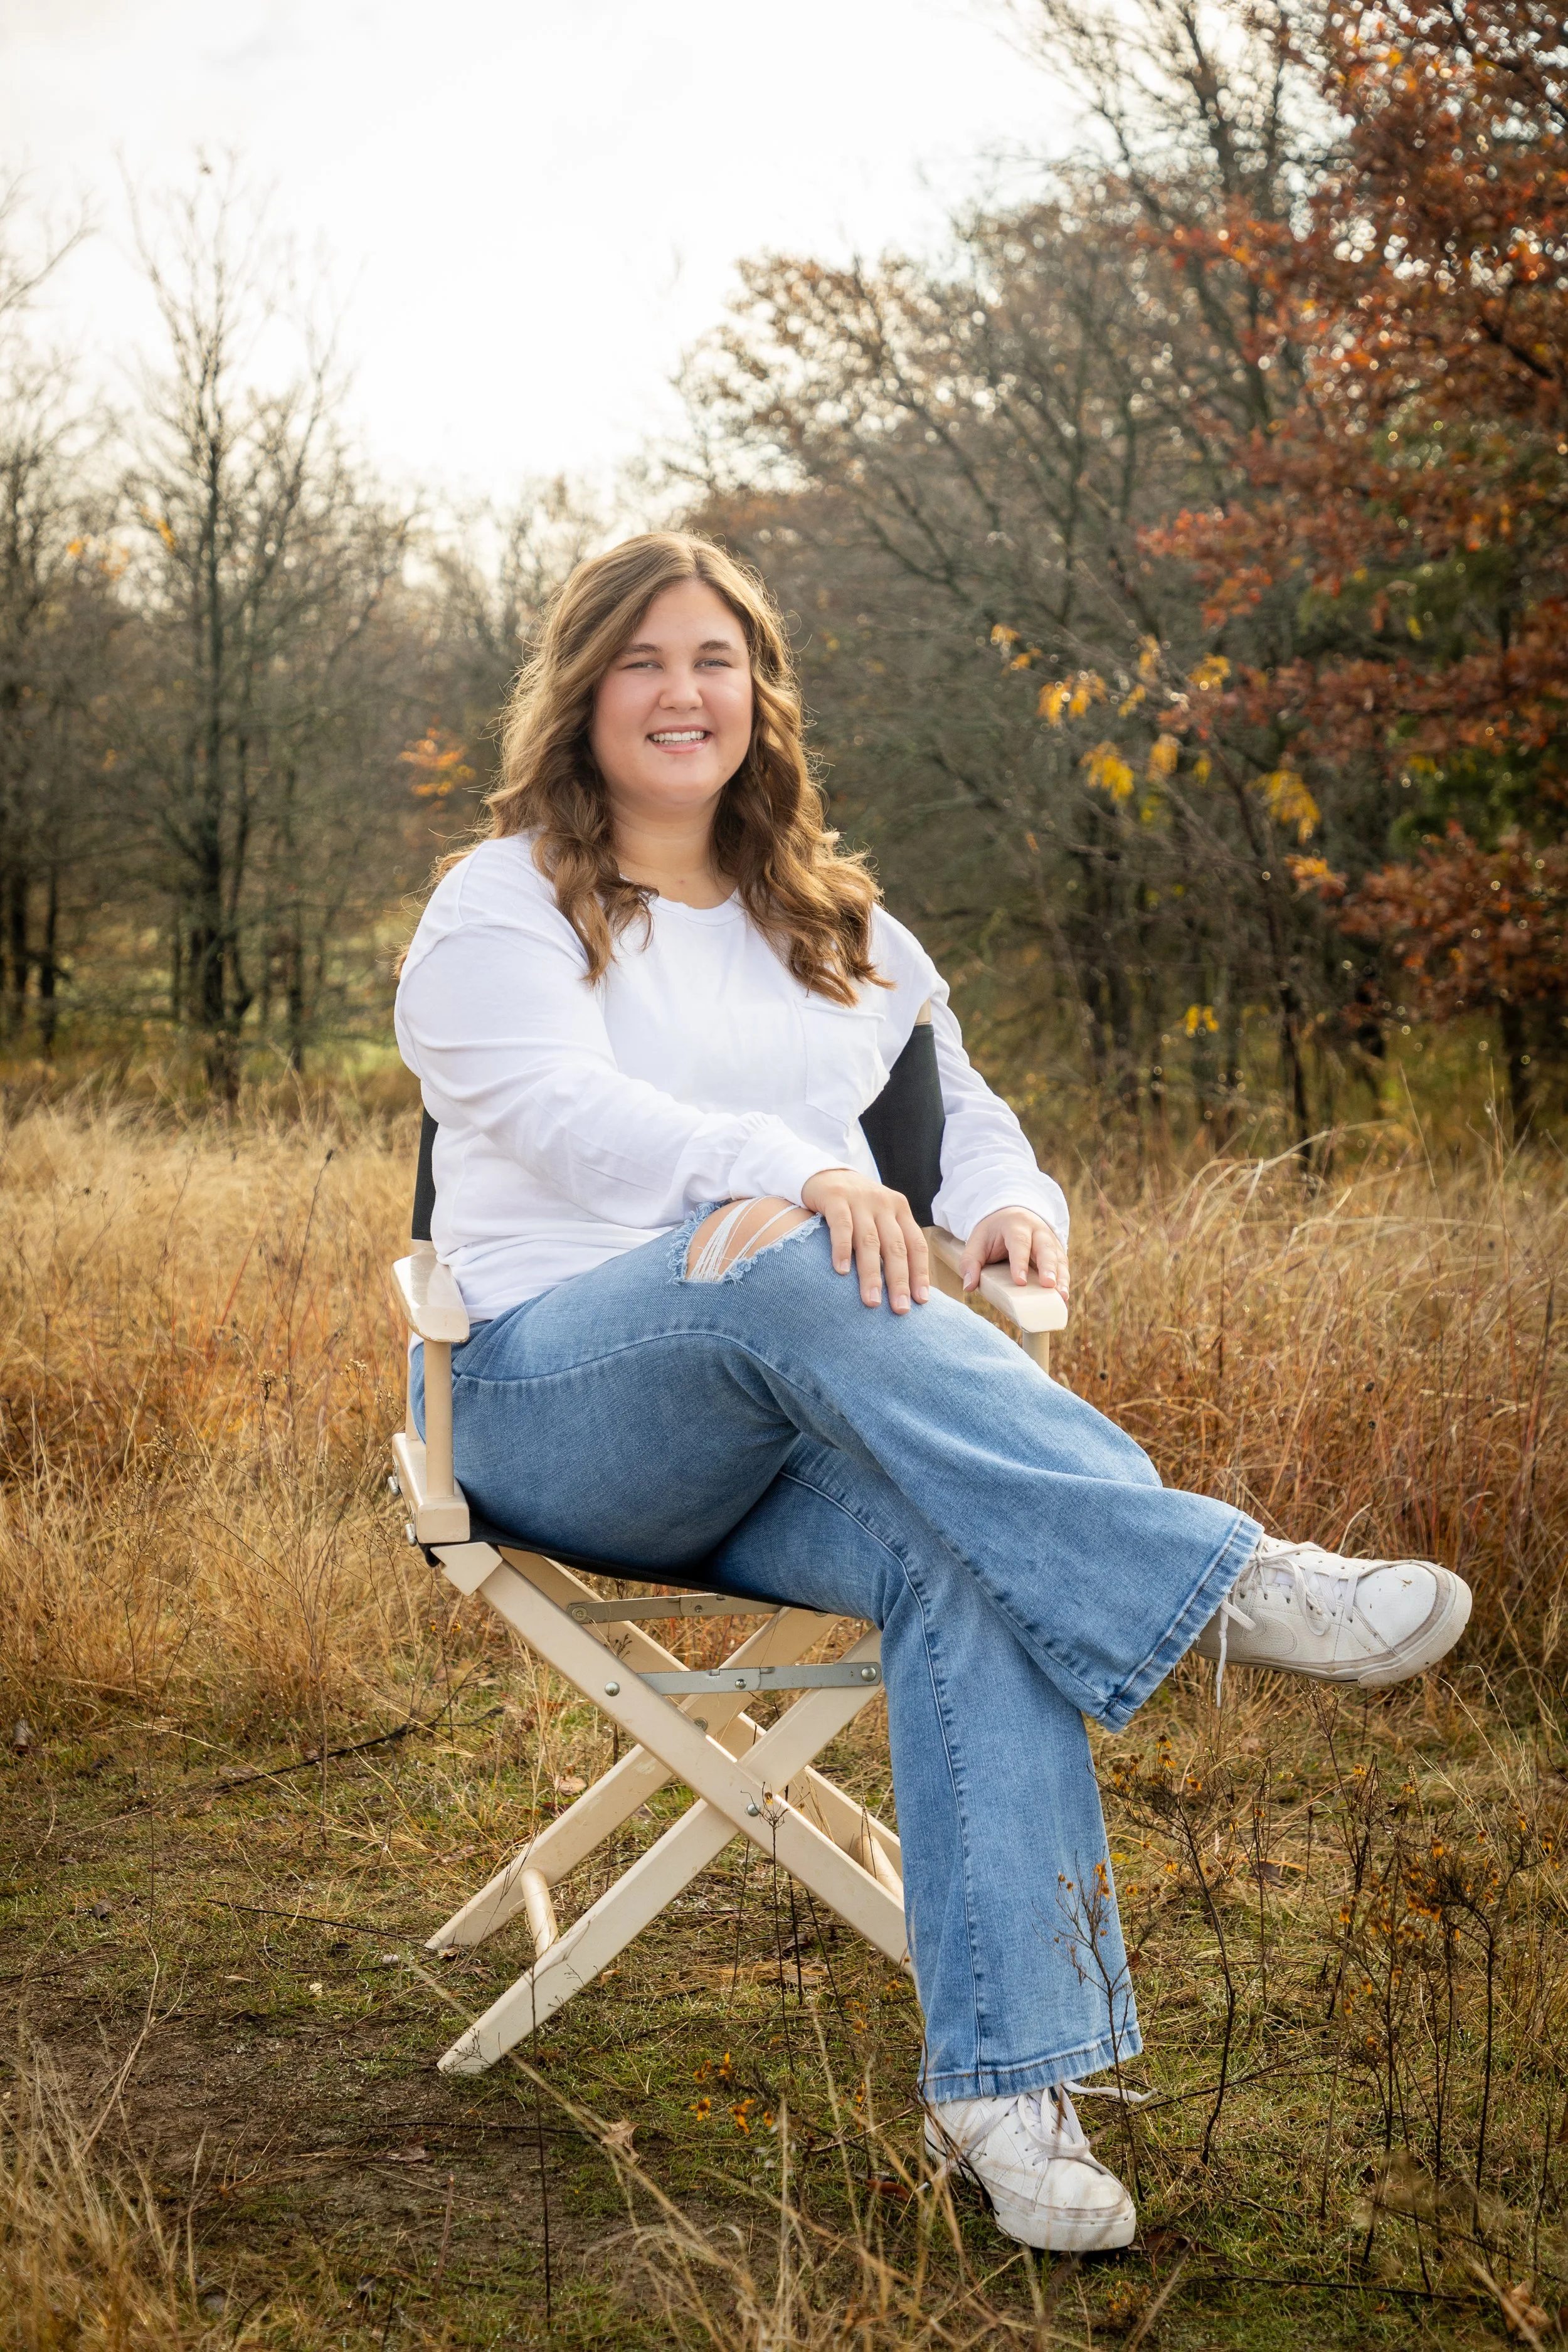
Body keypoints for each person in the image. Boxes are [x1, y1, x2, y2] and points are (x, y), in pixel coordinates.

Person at [394, 532, 1471, 2254]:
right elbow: (549, 1114)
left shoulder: (835, 920)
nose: (685, 692)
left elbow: (957, 1110)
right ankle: (1222, 1577)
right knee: (782, 1247)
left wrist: (1004, 1202)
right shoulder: (502, 901)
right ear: (582, 690)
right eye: (645, 660)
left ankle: (1010, 2085)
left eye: (717, 660)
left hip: (791, 1420)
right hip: (548, 1401)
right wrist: (780, 1175)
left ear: (761, 696)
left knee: (967, 1550)